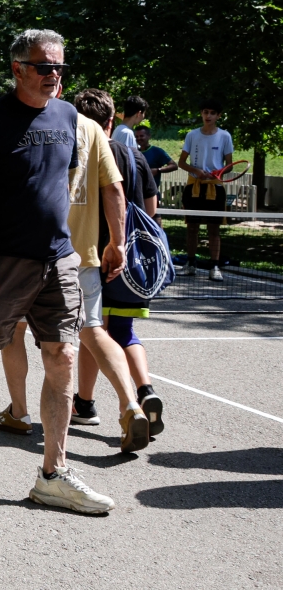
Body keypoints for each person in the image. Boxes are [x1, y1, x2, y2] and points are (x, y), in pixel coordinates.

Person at [0, 29, 116, 514]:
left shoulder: (70, 116)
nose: (54, 76)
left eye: (60, 68)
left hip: (59, 259)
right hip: (4, 262)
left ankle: (53, 473)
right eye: (45, 67)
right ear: (18, 68)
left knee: (62, 355)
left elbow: (60, 184)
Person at [0, 88, 150, 454]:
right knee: (94, 332)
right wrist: (116, 243)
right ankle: (130, 403)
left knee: (15, 334)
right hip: (83, 253)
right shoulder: (90, 128)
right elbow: (115, 190)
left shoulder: (29, 122)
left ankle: (20, 412)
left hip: (35, 251)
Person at [81, 96, 167, 438]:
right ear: (112, 121)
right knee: (124, 332)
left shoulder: (84, 154)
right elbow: (151, 209)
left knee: (92, 332)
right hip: (132, 261)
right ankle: (145, 390)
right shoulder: (136, 156)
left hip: (94, 254)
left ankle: (90, 405)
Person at [178, 100, 234, 280]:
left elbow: (229, 166)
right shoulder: (192, 135)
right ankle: (191, 263)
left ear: (218, 116)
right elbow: (181, 162)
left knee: (214, 229)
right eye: (205, 112)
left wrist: (215, 174)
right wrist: (197, 171)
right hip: (193, 187)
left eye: (212, 113)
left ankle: (214, 267)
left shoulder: (225, 136)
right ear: (201, 114)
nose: (208, 116)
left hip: (215, 188)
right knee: (192, 228)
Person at [134, 124, 176, 210]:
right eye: (136, 136)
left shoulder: (157, 151)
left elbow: (174, 165)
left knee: (155, 220)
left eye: (141, 136)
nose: (139, 138)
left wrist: (158, 170)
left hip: (152, 194)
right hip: (136, 195)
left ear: (149, 136)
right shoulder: (133, 152)